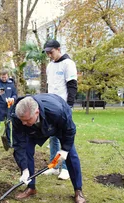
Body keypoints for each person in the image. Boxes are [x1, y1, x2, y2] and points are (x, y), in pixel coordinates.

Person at [11, 94, 86, 203]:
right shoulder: (18, 116)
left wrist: (65, 150)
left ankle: (78, 190)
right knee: (26, 150)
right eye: (22, 120)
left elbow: (70, 130)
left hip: (56, 125)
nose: (23, 123)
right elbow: (18, 145)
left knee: (71, 154)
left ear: (36, 112)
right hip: (34, 129)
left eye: (26, 120)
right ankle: (31, 187)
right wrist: (24, 168)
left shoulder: (57, 111)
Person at [42, 39, 78, 180]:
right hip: (51, 107)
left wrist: (69, 106)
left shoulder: (68, 64)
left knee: (65, 138)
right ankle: (54, 166)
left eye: (51, 52)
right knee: (53, 138)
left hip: (63, 107)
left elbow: (72, 86)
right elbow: (49, 87)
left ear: (58, 49)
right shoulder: (50, 66)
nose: (49, 55)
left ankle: (65, 168)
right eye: (47, 53)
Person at [0, 69, 17, 148]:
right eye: (2, 77)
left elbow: (15, 94)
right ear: (0, 76)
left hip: (8, 107)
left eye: (5, 77)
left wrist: (13, 99)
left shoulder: (11, 84)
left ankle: (8, 143)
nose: (4, 79)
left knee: (8, 125)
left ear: (7, 76)